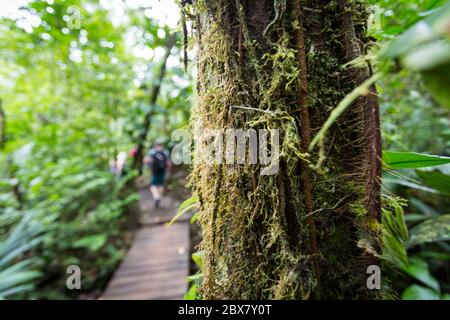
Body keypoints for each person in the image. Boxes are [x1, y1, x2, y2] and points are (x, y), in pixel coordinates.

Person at [144, 142, 171, 208]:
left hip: (154, 172)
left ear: (155, 146)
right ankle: (159, 198)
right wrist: (169, 171)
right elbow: (169, 163)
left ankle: (157, 197)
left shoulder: (151, 152)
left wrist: (149, 166)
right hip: (162, 171)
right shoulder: (165, 152)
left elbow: (145, 160)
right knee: (160, 185)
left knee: (153, 185)